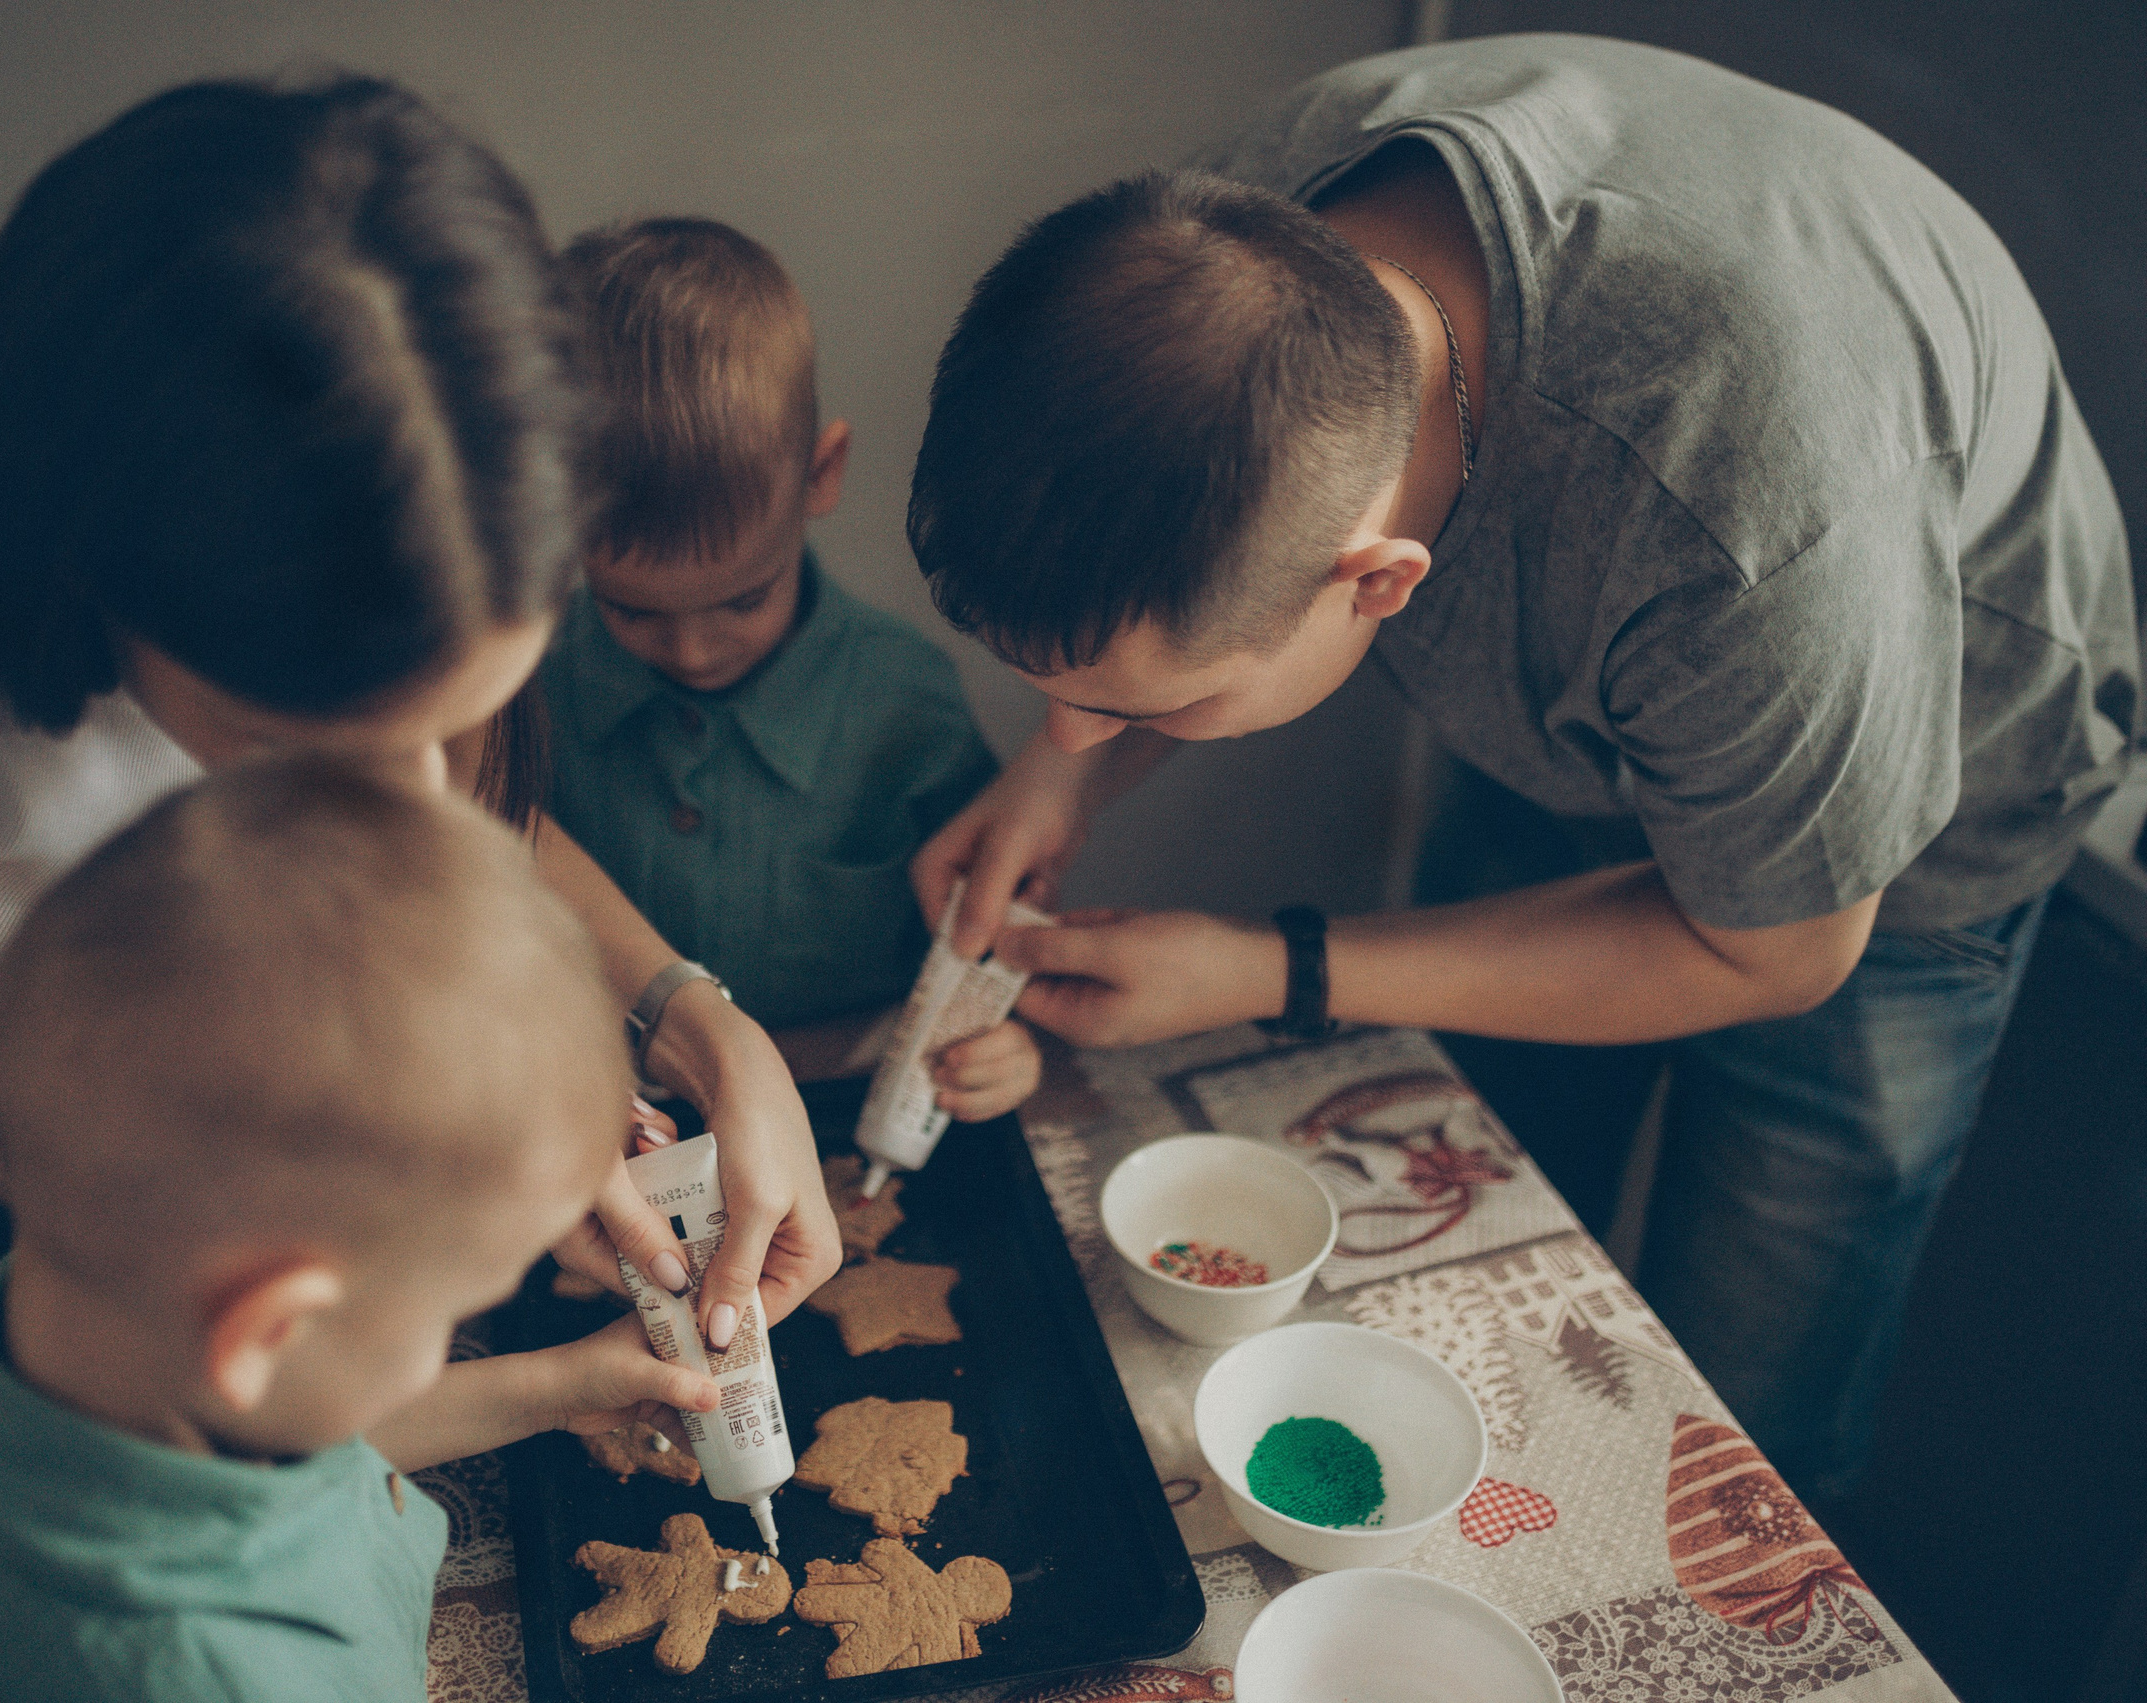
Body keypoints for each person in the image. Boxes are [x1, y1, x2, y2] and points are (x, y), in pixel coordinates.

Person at [0, 76, 832, 1703]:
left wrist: (683, 1017)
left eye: (463, 708)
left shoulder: (401, 507)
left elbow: (452, 833)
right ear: (120, 614)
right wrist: (442, 1163)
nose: (422, 804)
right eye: (338, 745)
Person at [903, 36, 2136, 1500]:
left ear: (1377, 580)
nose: (1071, 733)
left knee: (1747, 1417)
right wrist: (1068, 779)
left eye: (1133, 705)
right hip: (1614, 676)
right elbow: (1167, 608)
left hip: (1886, 832)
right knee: (1471, 1228)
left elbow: (1780, 952)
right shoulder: (1224, 248)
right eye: (1055, 695)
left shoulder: (1734, 513)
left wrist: (1268, 967)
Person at [0, 753, 710, 1702]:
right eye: (448, 1314)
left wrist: (555, 1388)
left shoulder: (59, 1317)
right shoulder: (210, 1673)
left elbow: (303, 1435)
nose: (446, 1337)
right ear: (270, 1326)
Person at [537, 218, 1039, 1117]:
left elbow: (981, 948)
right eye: (631, 610)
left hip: (851, 1112)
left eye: (740, 599)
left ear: (822, 473)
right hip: (601, 1119)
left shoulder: (905, 702)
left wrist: (996, 1050)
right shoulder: (529, 694)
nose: (691, 651)